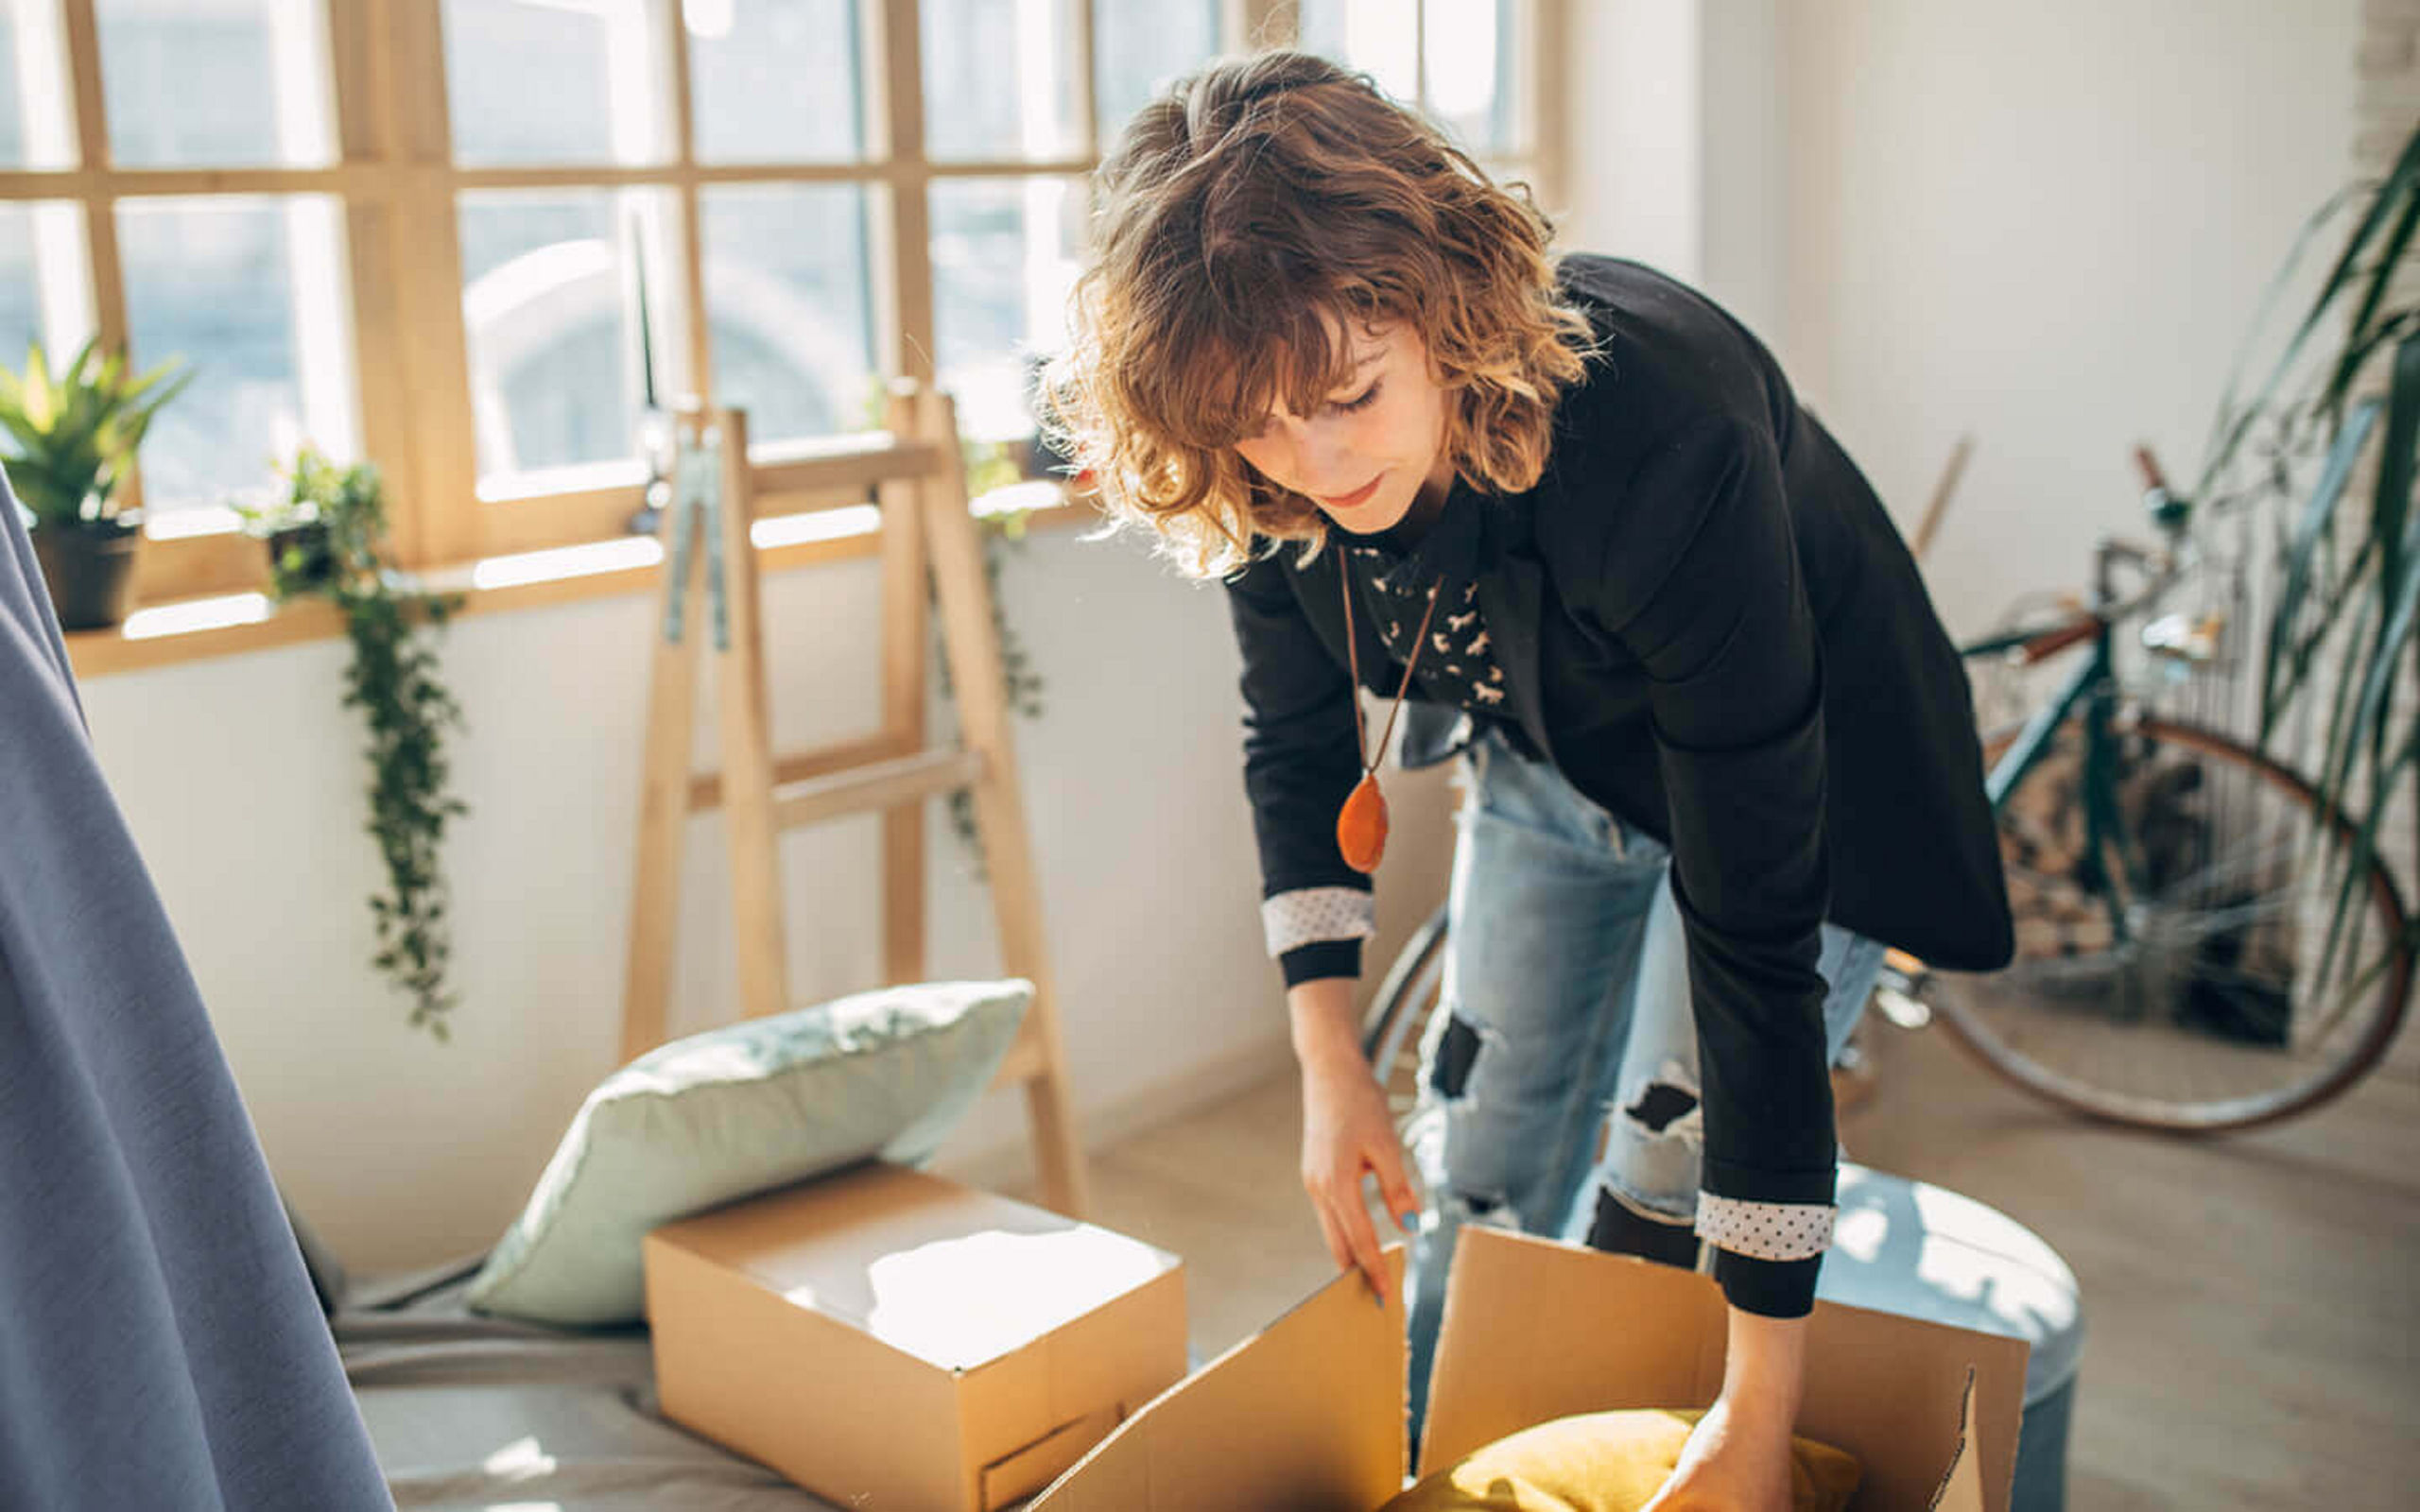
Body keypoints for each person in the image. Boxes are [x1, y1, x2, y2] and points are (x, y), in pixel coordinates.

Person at [1047, 50, 2013, 1512]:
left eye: (1352, 395)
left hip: (1792, 785)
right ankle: (1455, 1473)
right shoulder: (1261, 455)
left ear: (1437, 309)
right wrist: (1329, 1065)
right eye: (1258, 426)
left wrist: (1762, 1423)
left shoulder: (1663, 434)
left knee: (1657, 1180)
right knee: (1485, 1165)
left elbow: (1753, 934)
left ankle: (1685, 1456)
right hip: (1554, 764)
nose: (1312, 464)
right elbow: (1299, 743)